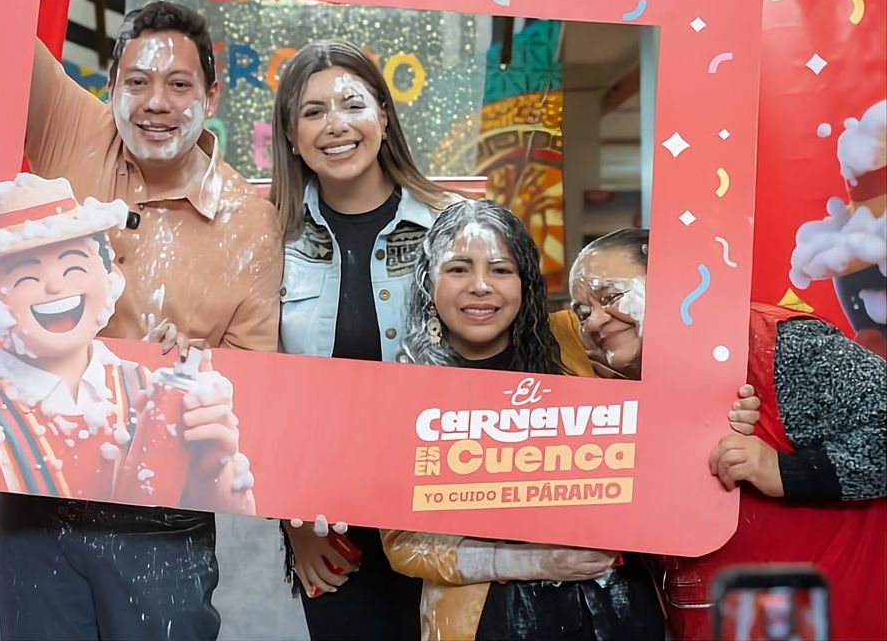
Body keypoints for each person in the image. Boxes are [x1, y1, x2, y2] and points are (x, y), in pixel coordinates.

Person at [0, 0, 283, 639]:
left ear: (213, 97)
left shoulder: (253, 226)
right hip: (34, 493)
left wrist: (199, 376)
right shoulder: (71, 127)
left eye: (180, 86)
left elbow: (254, 392)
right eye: (138, 82)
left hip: (163, 512)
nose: (157, 104)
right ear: (109, 84)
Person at [569, 228, 887, 641]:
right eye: (581, 312)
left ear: (675, 280)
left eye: (610, 296)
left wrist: (787, 472)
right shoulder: (625, 397)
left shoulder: (778, 346)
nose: (593, 321)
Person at [382, 199, 666, 641]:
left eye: (500, 269)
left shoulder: (576, 335)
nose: (481, 286)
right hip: (484, 620)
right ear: (428, 282)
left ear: (524, 281)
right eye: (458, 269)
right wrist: (534, 561)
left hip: (620, 608)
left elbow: (661, 394)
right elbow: (404, 544)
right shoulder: (404, 390)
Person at [0, 172, 255, 514]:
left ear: (111, 278)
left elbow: (221, 514)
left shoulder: (148, 389)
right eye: (26, 276)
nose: (54, 287)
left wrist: (217, 464)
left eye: (73, 267)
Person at [267, 39, 456, 639]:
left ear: (383, 114)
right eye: (313, 111)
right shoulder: (269, 240)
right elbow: (258, 389)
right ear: (291, 136)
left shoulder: (453, 226)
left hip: (441, 503)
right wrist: (294, 520)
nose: (336, 125)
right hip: (328, 518)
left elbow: (503, 363)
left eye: (352, 104)